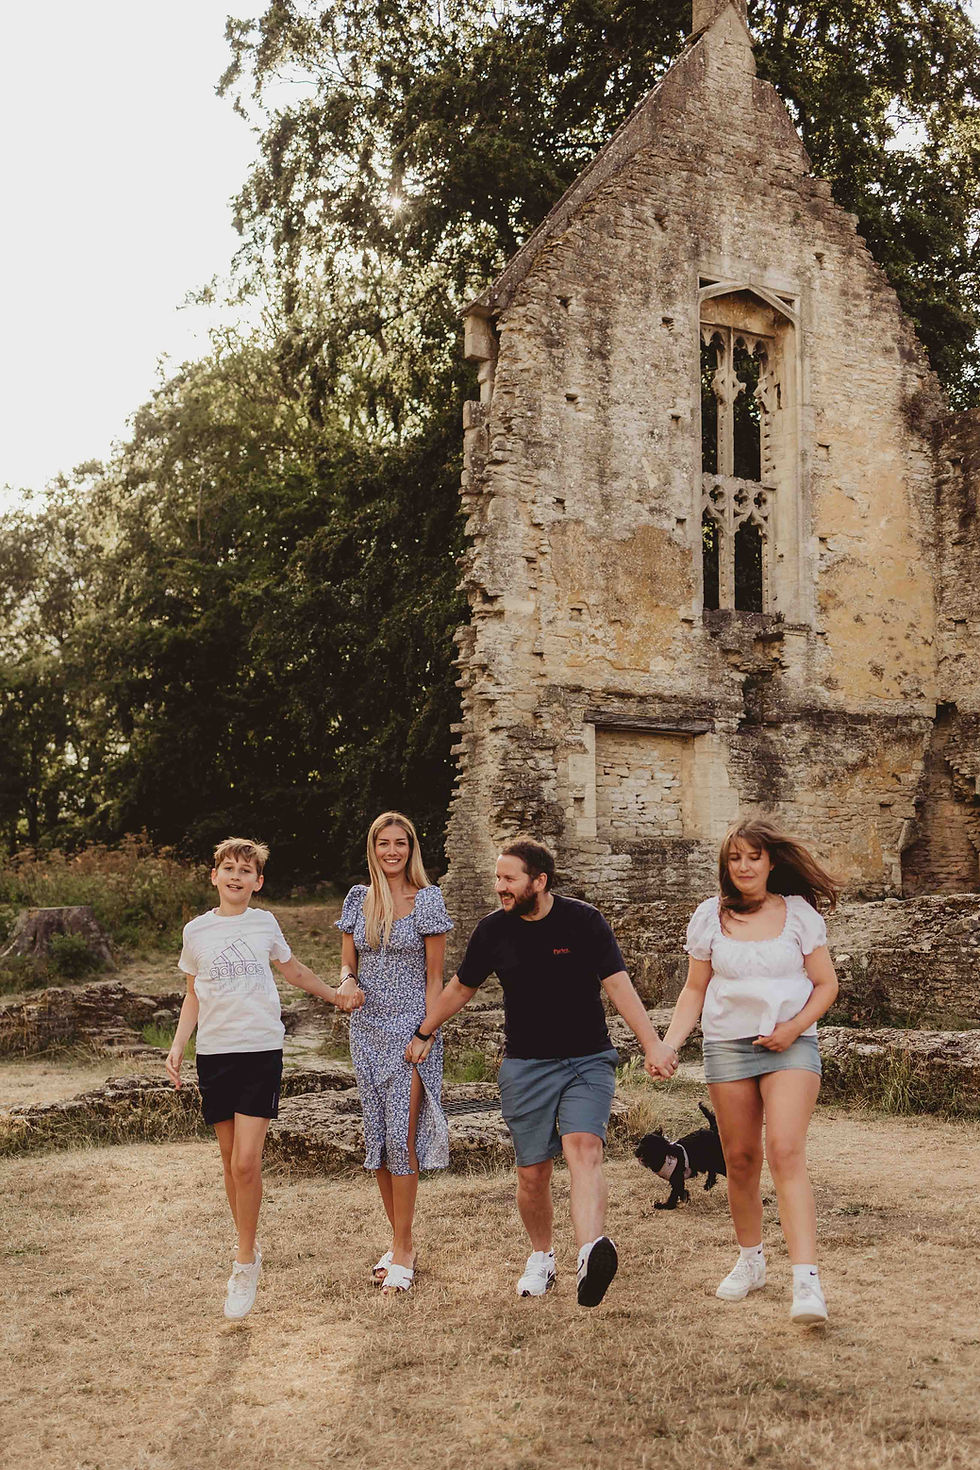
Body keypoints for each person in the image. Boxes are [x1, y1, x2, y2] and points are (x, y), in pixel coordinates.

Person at [405, 836, 676, 1308]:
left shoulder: (584, 922)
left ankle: (591, 1252)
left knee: (584, 1147)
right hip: (525, 1067)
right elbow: (460, 988)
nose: (499, 887)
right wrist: (425, 1031)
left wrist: (652, 1043)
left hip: (587, 1060)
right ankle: (542, 1256)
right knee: (533, 1173)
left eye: (509, 879)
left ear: (540, 881)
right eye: (497, 878)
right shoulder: (492, 931)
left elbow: (618, 984)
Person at [166, 836, 363, 1320]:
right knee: (230, 1160)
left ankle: (243, 1261)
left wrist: (334, 995)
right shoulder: (196, 931)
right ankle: (248, 1246)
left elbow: (292, 970)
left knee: (247, 1162)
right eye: (228, 868)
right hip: (214, 1055)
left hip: (260, 1051)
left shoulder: (264, 923)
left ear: (258, 881)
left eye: (245, 870)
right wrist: (177, 1045)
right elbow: (194, 994)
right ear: (215, 876)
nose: (236, 876)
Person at [660, 817, 840, 1326]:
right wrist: (669, 1045)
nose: (743, 866)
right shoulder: (709, 917)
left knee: (785, 1150)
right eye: (735, 858)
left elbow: (826, 985)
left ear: (771, 861)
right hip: (727, 1048)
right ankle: (750, 1260)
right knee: (739, 1158)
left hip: (791, 1045)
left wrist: (792, 1028)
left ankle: (807, 1281)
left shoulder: (799, 914)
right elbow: (695, 990)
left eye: (753, 857)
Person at [334, 812, 453, 1294]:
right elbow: (348, 962)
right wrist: (346, 981)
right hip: (366, 1030)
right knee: (379, 1139)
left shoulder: (428, 901)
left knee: (403, 1137)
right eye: (383, 843)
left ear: (411, 848)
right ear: (373, 847)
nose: (392, 851)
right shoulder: (358, 899)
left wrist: (427, 1033)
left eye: (400, 843)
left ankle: (404, 1249)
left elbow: (436, 979)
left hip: (412, 1033)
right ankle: (399, 1239)